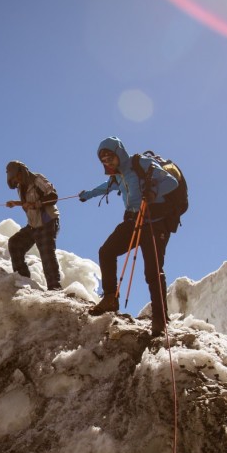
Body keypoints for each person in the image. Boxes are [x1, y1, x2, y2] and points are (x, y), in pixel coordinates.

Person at [78, 136, 179, 337]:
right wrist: (86, 194)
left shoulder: (141, 163)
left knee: (152, 271)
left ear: (119, 152)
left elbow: (171, 182)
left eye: (109, 156)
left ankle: (160, 318)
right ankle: (110, 298)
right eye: (103, 159)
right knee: (106, 252)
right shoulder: (118, 175)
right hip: (133, 221)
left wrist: (152, 193)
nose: (107, 161)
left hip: (154, 221)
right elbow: (105, 187)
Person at [5, 160, 61, 290]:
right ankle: (23, 281)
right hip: (34, 225)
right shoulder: (21, 187)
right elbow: (28, 201)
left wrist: (36, 204)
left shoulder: (37, 179)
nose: (16, 180)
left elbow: (53, 195)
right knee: (15, 243)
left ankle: (55, 288)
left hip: (48, 221)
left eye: (16, 176)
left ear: (22, 171)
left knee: (46, 253)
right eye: (13, 179)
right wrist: (16, 203)